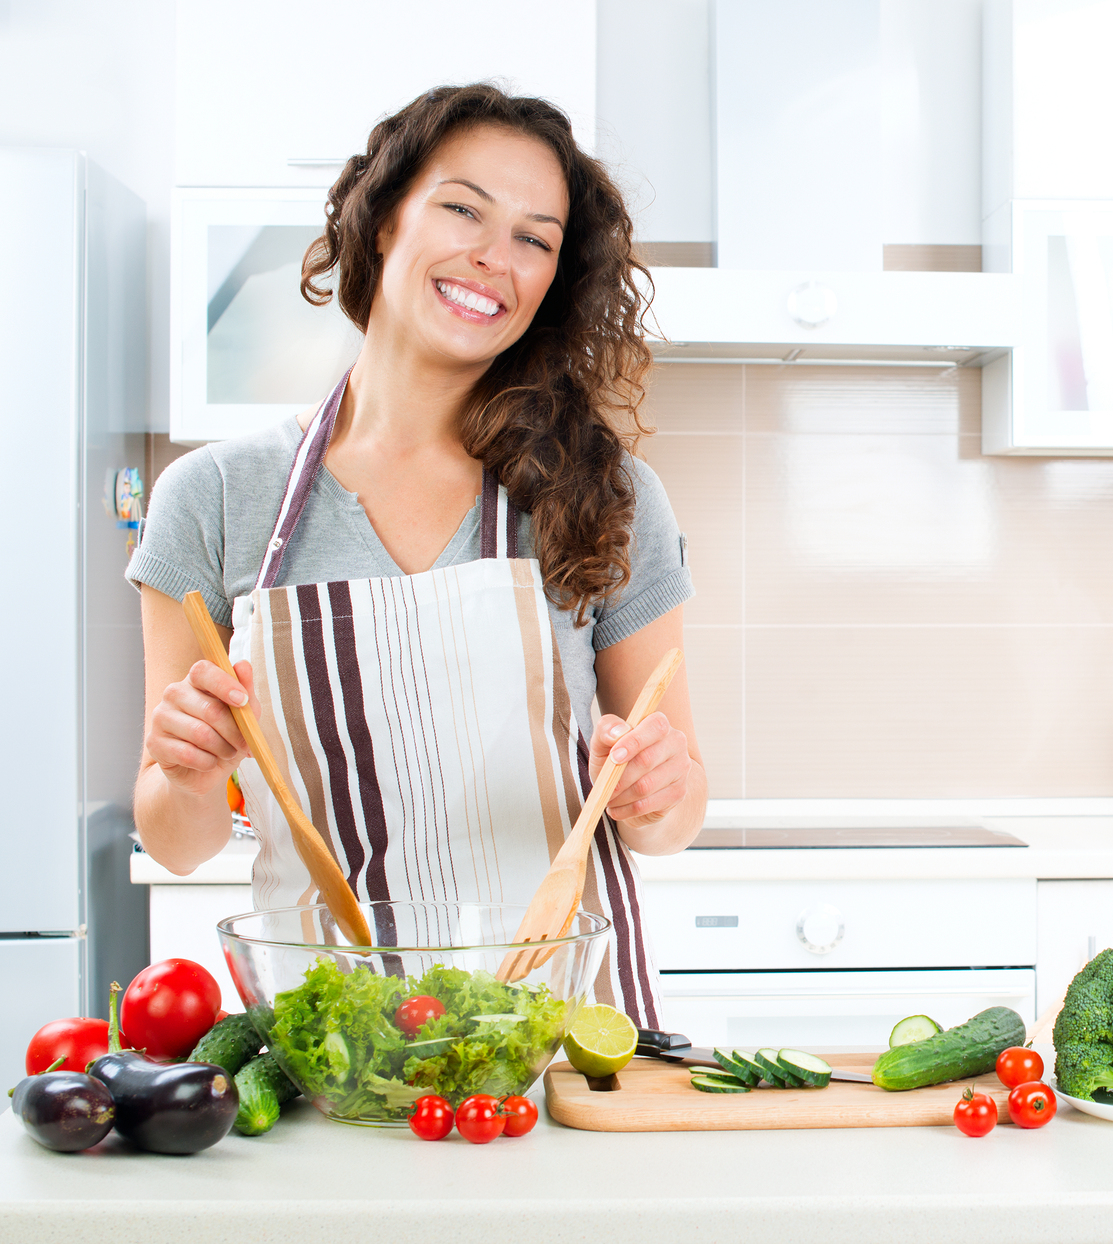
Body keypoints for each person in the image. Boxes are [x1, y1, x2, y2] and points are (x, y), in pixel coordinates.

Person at [127, 84, 706, 1026]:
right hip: (333, 1047)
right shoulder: (215, 497)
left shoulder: (609, 495)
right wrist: (186, 771)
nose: (494, 254)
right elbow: (177, 839)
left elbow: (674, 820)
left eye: (535, 237)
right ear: (385, 216)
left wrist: (656, 792)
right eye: (463, 207)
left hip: (556, 1047)